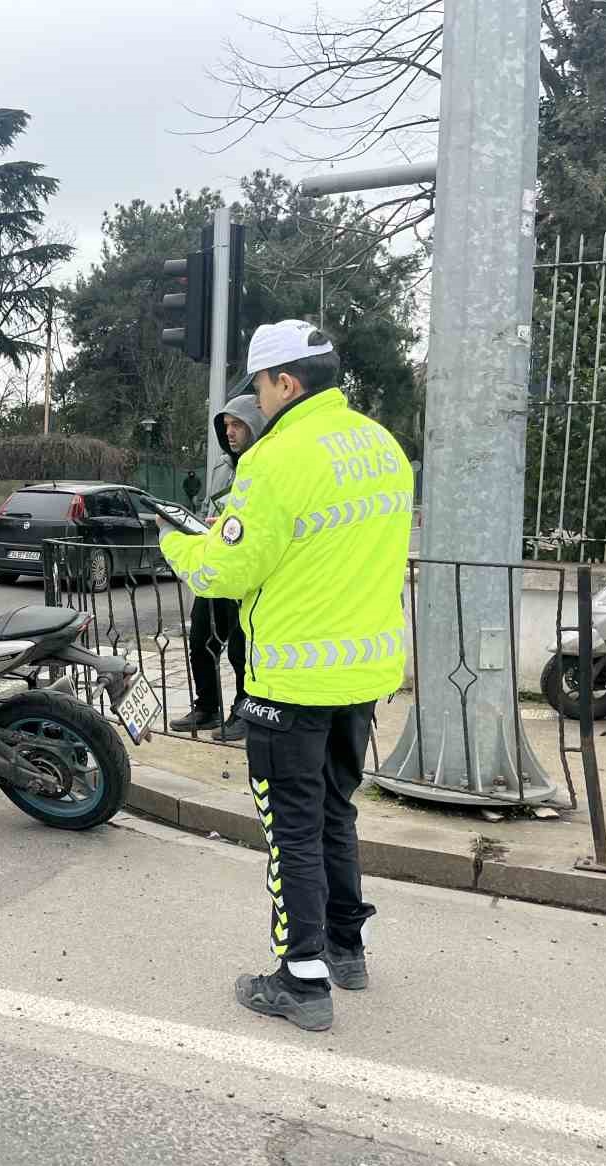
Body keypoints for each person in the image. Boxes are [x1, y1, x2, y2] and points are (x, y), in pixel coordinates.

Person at [159, 320, 413, 1033]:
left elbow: (227, 569)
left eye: (260, 387)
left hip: (292, 681)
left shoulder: (276, 460)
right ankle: (345, 947)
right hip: (361, 674)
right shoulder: (383, 447)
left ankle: (301, 980)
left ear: (286, 383)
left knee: (290, 830)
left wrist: (176, 542)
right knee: (336, 811)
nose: (257, 402)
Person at [171, 392, 265, 741]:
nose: (230, 432)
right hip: (217, 568)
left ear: (255, 426)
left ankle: (244, 709)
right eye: (226, 425)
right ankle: (207, 706)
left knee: (242, 648)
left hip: (247, 574)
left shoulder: (268, 466)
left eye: (237, 424)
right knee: (200, 639)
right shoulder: (222, 467)